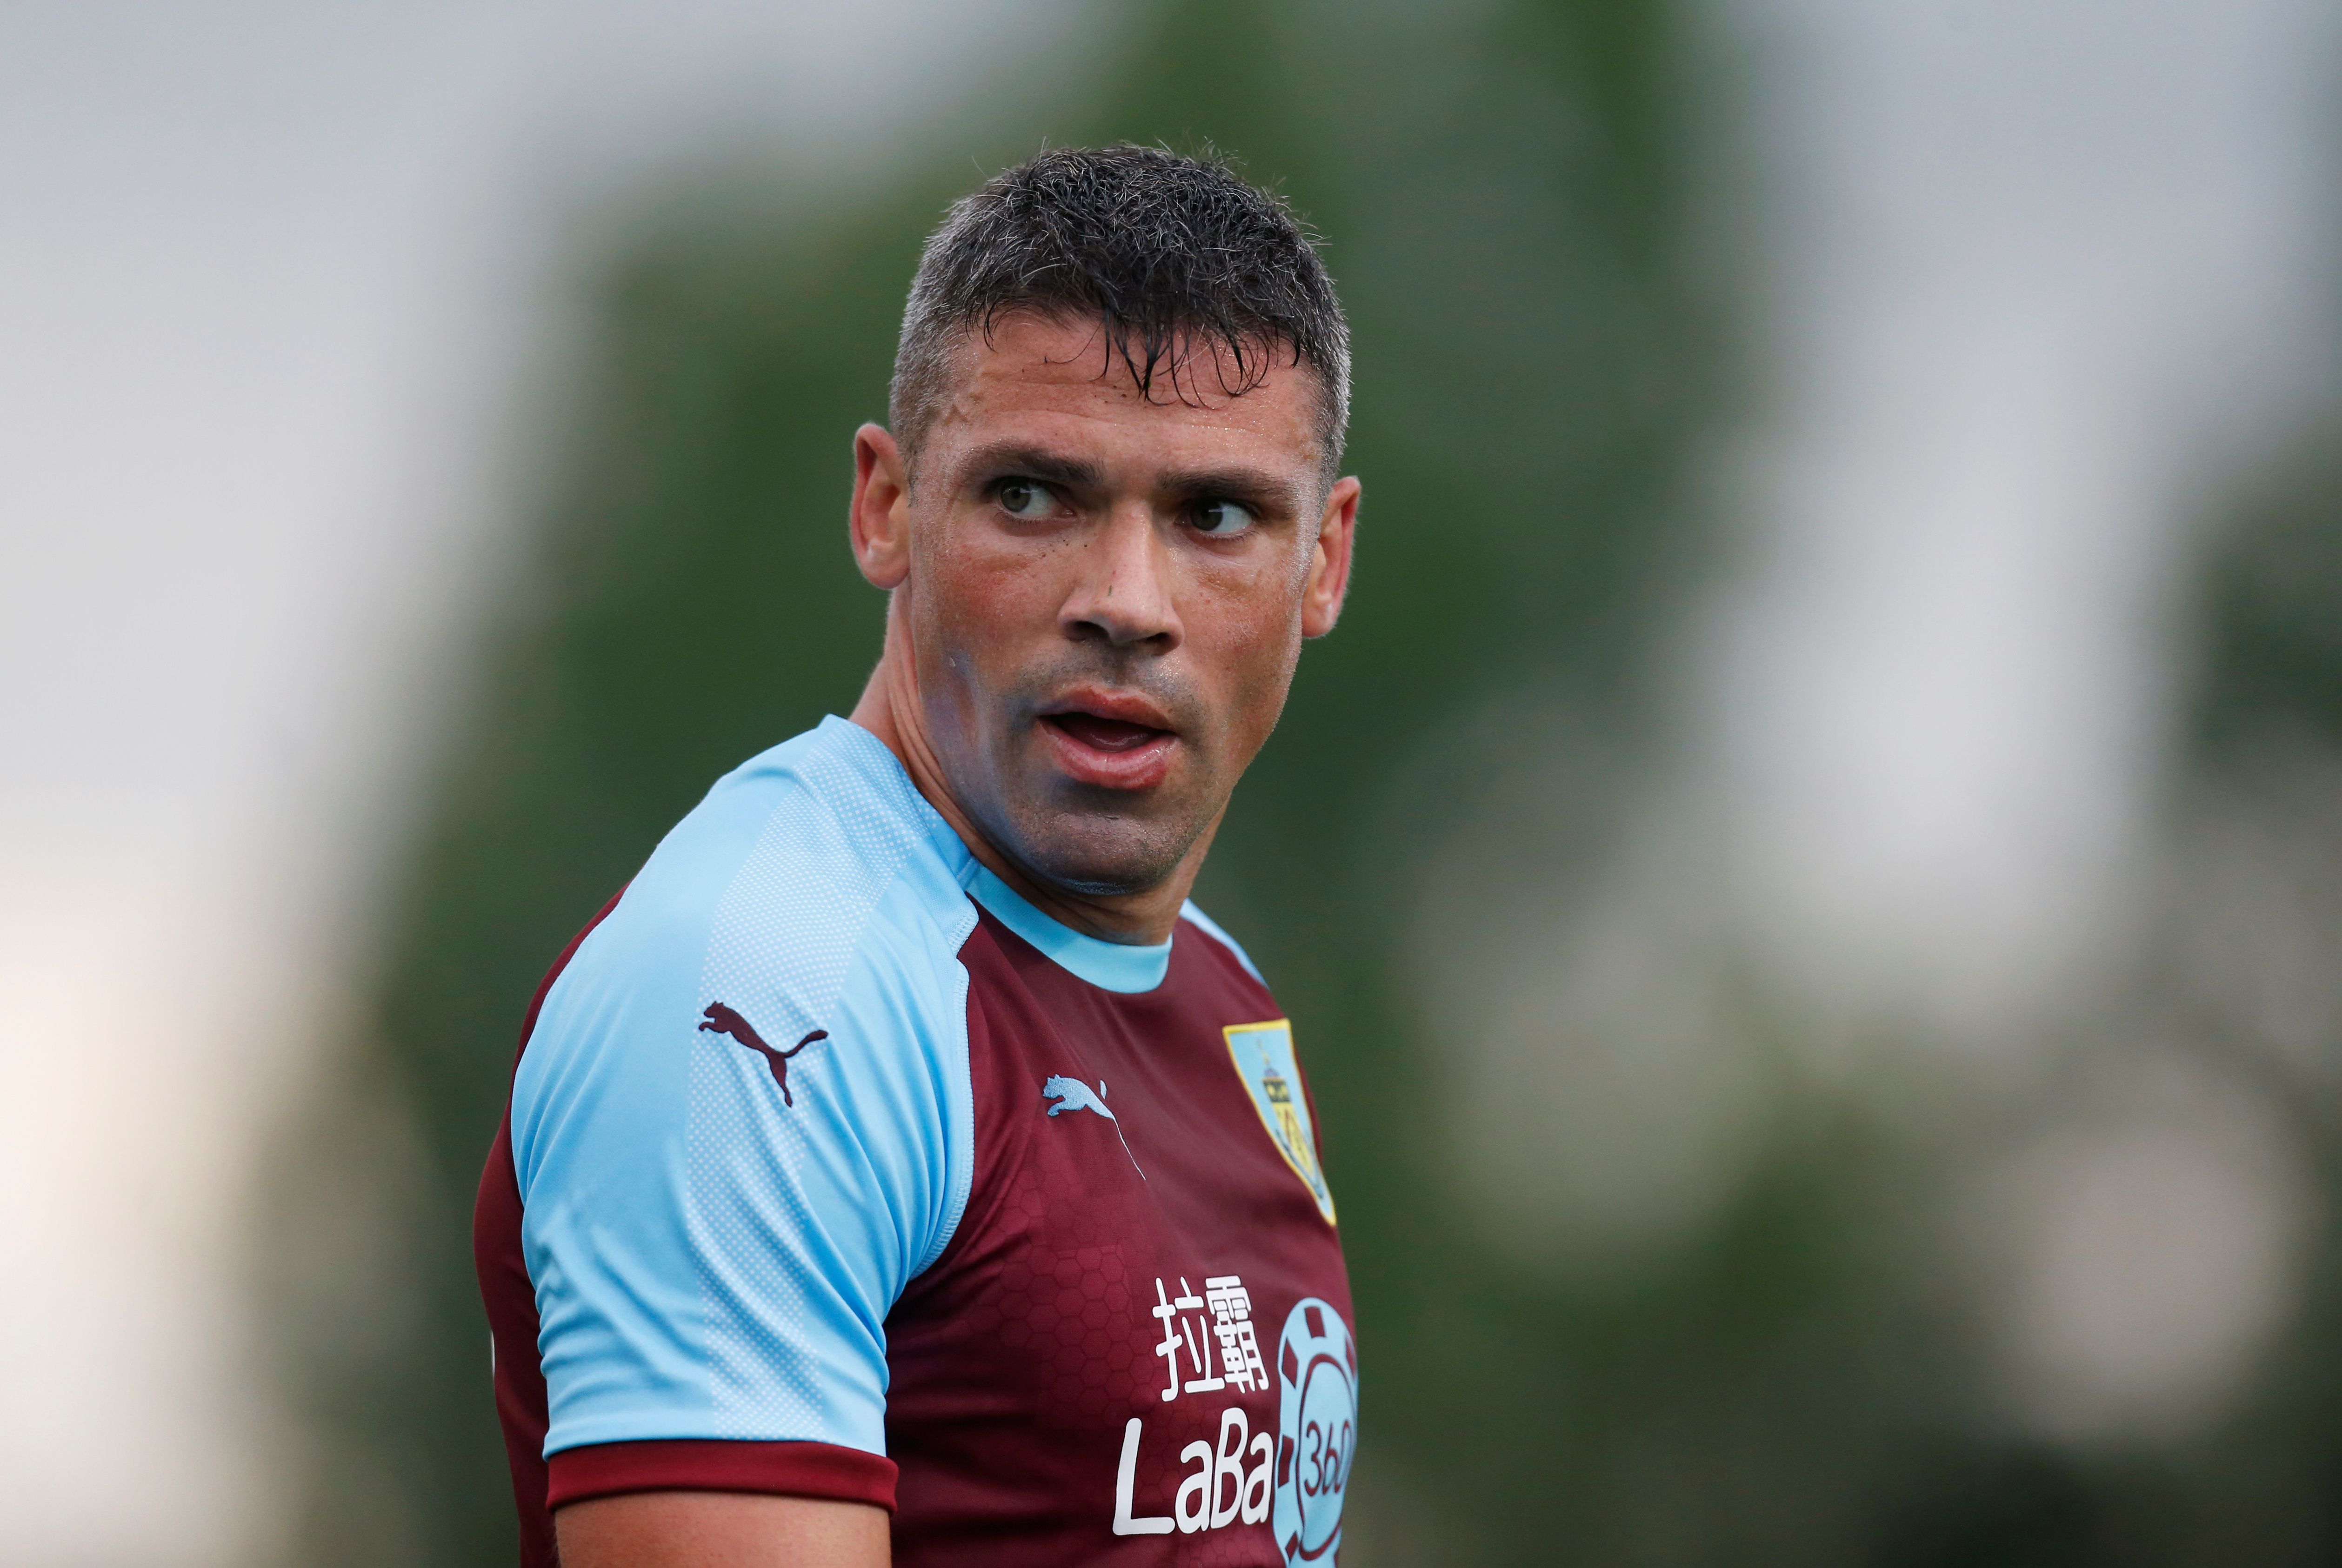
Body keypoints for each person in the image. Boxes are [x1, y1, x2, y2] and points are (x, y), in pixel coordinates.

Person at [474, 143, 1363, 1568]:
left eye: (1213, 515)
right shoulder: (762, 991)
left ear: (1322, 560)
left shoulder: (1216, 988)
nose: (1126, 601)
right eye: (1033, 496)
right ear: (886, 507)